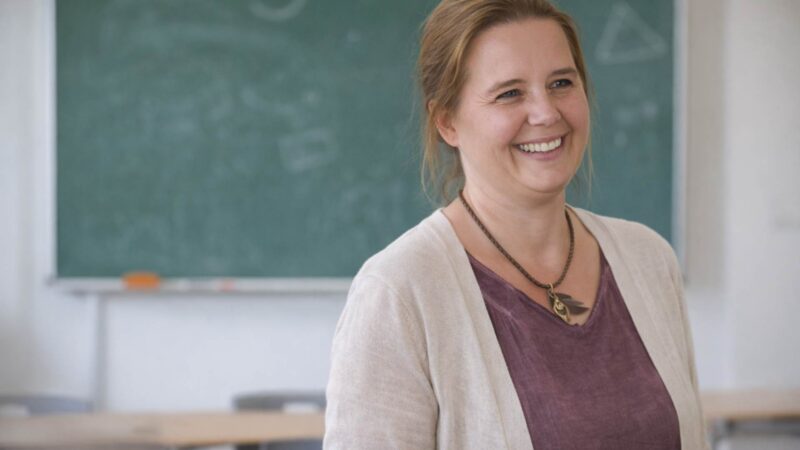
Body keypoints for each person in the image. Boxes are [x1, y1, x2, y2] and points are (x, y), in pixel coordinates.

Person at [324, 0, 709, 448]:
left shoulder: (648, 259)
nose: (546, 113)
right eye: (510, 93)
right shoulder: (399, 292)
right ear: (447, 121)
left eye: (562, 83)